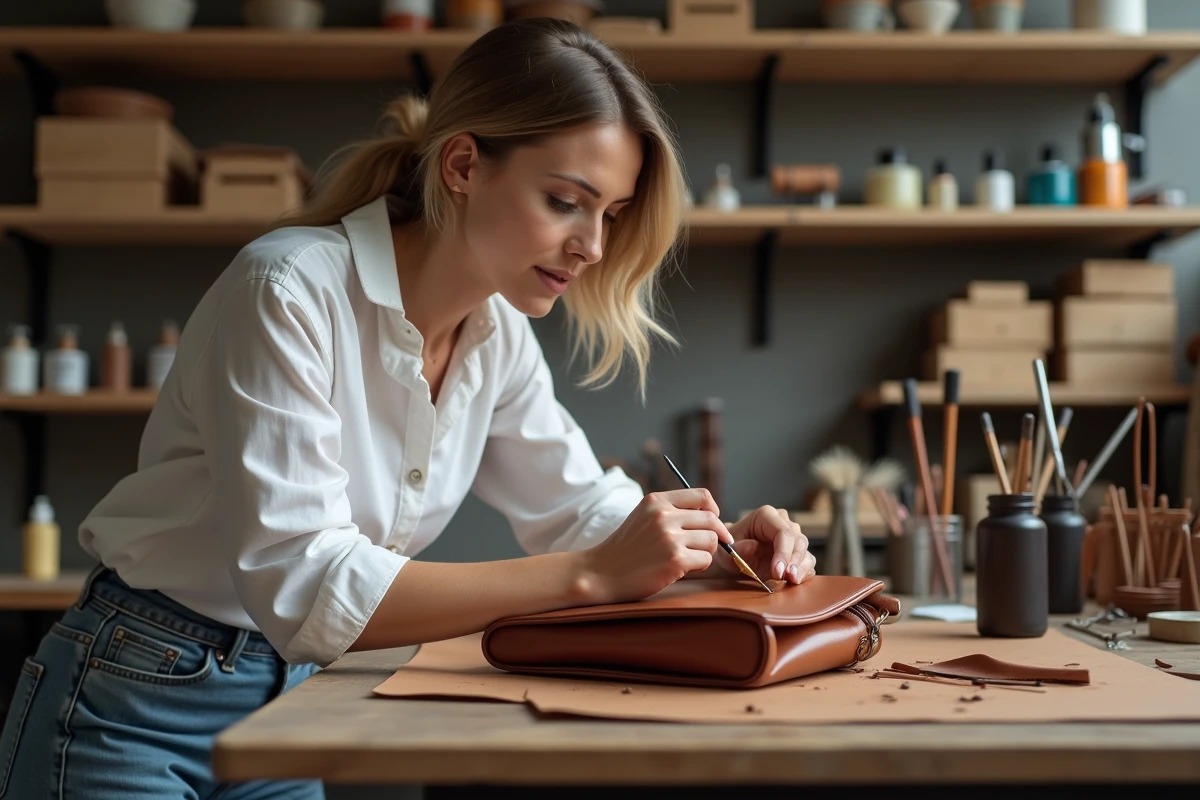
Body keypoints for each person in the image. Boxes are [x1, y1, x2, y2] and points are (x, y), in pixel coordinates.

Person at [0, 18, 814, 800]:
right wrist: (590, 576)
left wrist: (716, 546)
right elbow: (305, 583)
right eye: (567, 200)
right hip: (133, 694)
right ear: (462, 165)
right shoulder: (286, 289)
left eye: (610, 214)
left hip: (292, 697)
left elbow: (576, 510)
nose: (593, 247)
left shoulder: (494, 336)